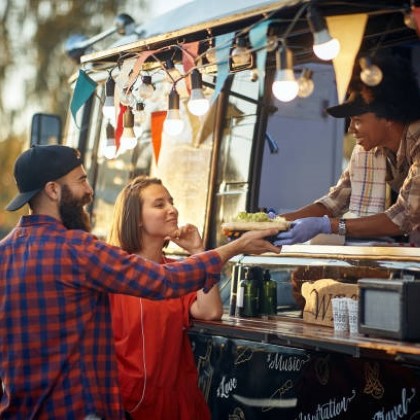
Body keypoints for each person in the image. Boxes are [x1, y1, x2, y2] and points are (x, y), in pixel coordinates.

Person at [0, 144, 280, 419]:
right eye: (82, 180)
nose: (89, 190)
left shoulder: (4, 252)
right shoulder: (75, 248)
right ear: (53, 190)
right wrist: (236, 246)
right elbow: (164, 281)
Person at [275, 53, 420, 246]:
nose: (351, 129)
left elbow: (403, 216)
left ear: (388, 117)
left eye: (358, 120)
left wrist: (326, 226)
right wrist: (278, 222)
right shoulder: (369, 151)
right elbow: (336, 200)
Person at [108, 176, 221, 419]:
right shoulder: (112, 271)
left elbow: (210, 311)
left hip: (173, 405)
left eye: (171, 201)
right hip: (124, 404)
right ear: (136, 218)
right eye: (159, 205)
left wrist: (198, 252)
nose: (172, 209)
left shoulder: (176, 271)